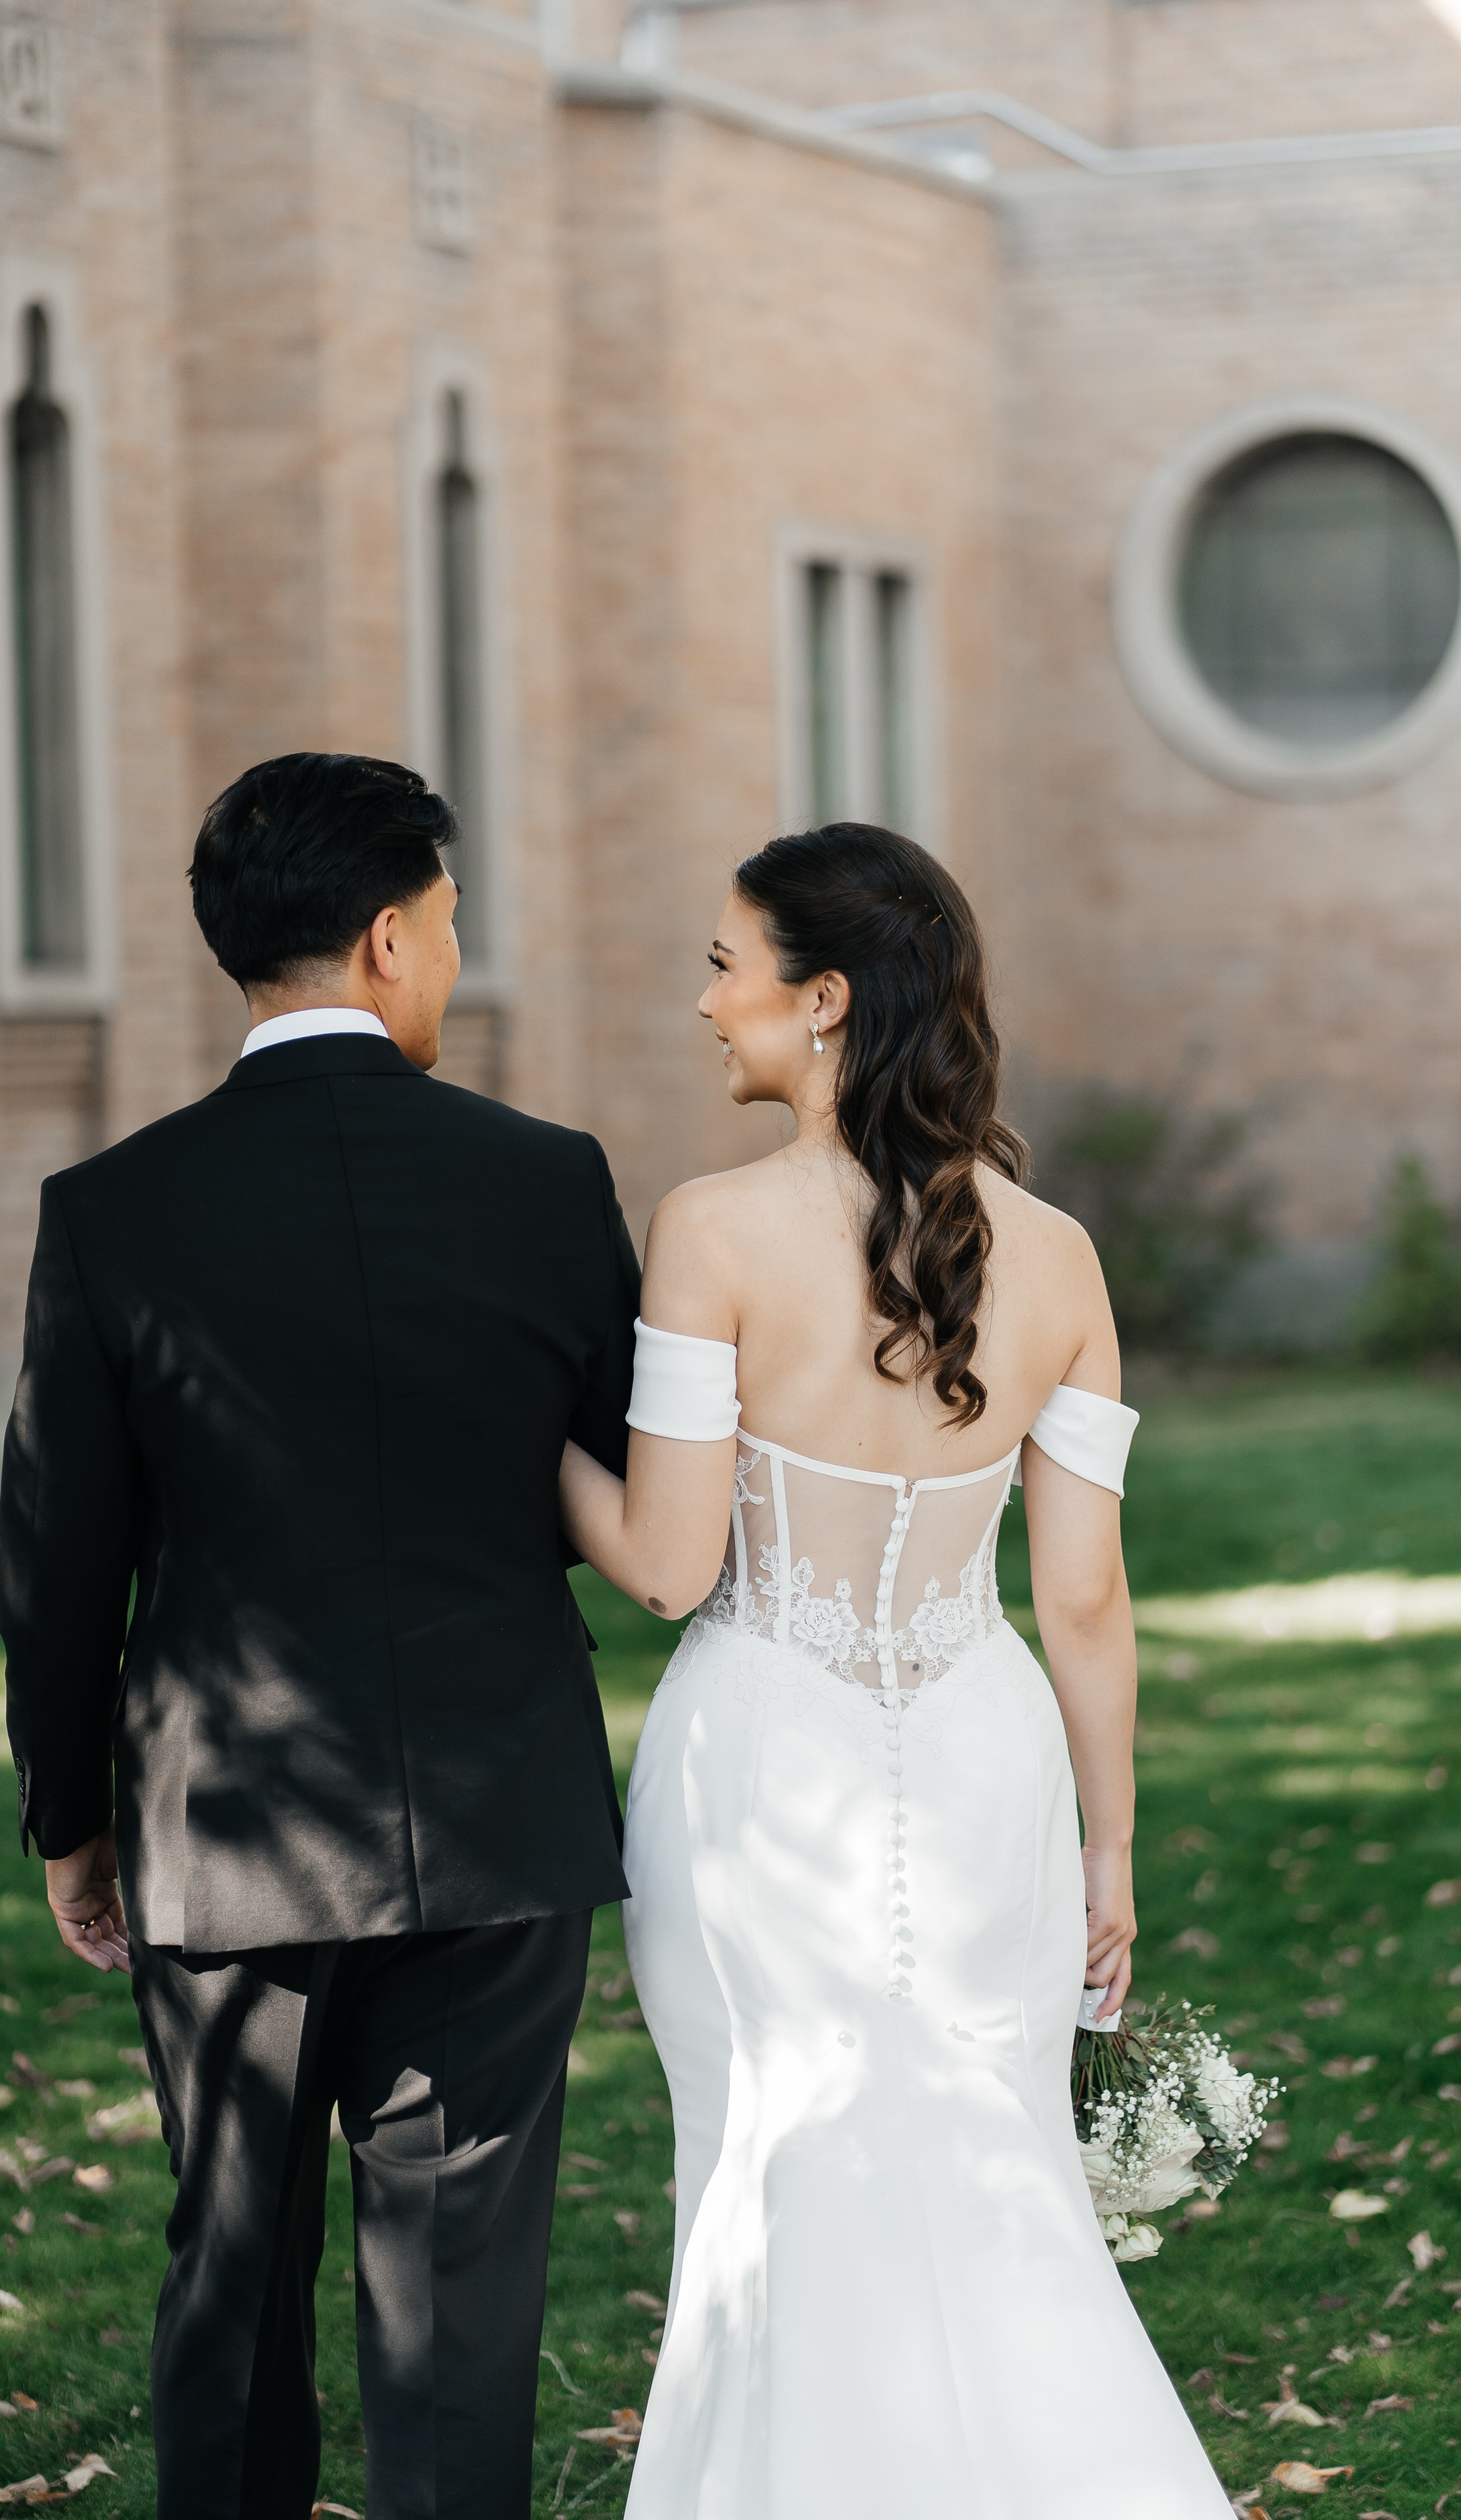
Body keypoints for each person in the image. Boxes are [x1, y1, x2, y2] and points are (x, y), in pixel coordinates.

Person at [558, 823, 1235, 2517]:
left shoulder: (711, 1229)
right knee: (990, 2167)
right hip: (987, 1754)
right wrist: (1111, 1847)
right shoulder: (1063, 1256)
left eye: (727, 964)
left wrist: (518, 1444)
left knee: (774, 2166)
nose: (707, 1003)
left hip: (763, 1760)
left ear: (827, 997)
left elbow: (665, 1565)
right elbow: (1083, 1603)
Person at [0, 753, 641, 2520]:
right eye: (445, 921)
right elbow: (629, 1484)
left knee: (230, 2287)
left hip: (226, 1834)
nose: (449, 950)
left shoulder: (114, 1211)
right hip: (499, 1814)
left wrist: (69, 1817)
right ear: (382, 938)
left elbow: (61, 1557)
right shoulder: (550, 1181)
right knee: (459, 2323)